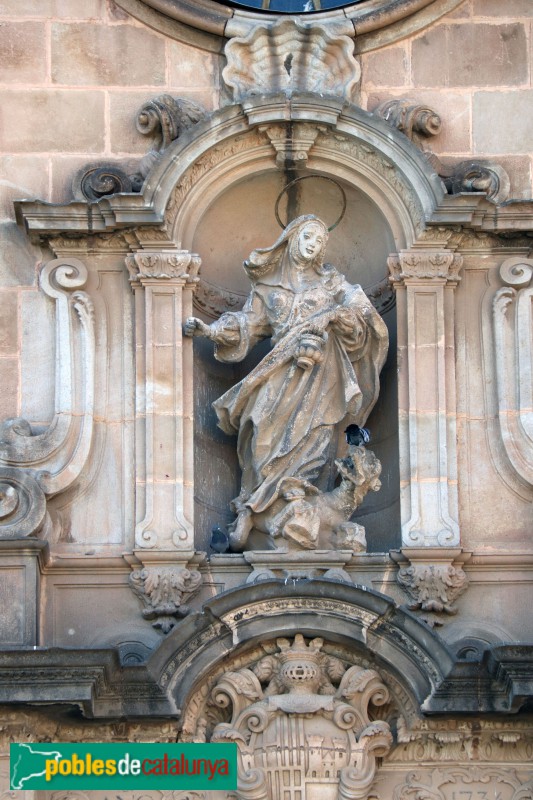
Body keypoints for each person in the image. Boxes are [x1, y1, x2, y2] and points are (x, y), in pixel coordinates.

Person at [184, 215, 388, 550]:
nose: (313, 245)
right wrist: (209, 330)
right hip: (278, 373)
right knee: (260, 434)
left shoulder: (333, 285)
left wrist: (340, 320)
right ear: (291, 237)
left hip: (323, 381)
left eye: (320, 241)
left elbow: (360, 325)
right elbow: (248, 325)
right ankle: (259, 515)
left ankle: (298, 518)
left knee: (317, 442)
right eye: (308, 236)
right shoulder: (267, 290)